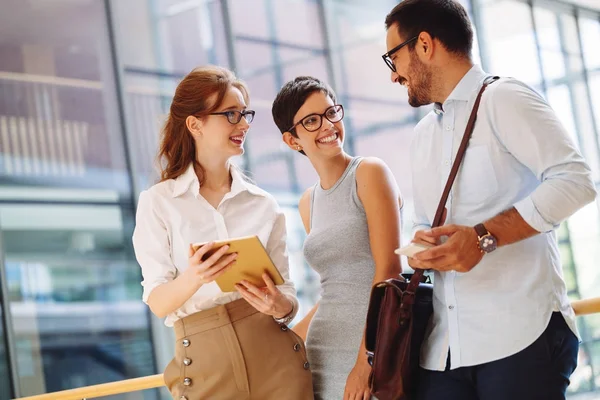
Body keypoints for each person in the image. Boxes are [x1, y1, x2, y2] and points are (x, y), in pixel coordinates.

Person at [382, 1, 597, 399]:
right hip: (444, 348)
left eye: (394, 57)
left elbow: (576, 180)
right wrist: (421, 246)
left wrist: (484, 237)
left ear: (425, 45)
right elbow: (427, 222)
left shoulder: (505, 98)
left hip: (520, 335)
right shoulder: (422, 136)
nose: (394, 74)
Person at [132, 66, 313, 400]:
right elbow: (157, 302)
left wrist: (278, 304)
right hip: (204, 368)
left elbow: (288, 297)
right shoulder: (159, 202)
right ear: (195, 123)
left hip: (276, 363)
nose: (243, 124)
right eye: (231, 114)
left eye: (245, 114)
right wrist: (196, 276)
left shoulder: (264, 205)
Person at [271, 76, 403, 399]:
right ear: (292, 140)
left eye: (332, 113)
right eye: (312, 121)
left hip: (369, 353)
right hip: (320, 354)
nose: (328, 126)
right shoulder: (308, 203)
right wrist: (280, 348)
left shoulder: (369, 173)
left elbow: (389, 272)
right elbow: (333, 291)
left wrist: (366, 362)